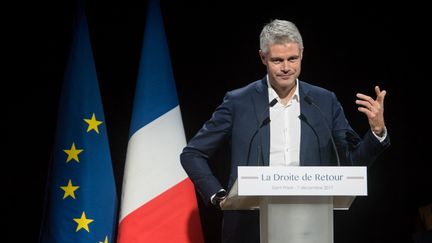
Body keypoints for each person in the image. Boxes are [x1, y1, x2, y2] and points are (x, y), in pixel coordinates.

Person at [180, 19, 390, 243]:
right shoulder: (238, 102)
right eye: (277, 60)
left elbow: (352, 161)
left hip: (309, 224)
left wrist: (377, 131)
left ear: (302, 53)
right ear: (263, 57)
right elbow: (192, 154)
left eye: (293, 58)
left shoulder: (323, 101)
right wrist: (218, 195)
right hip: (248, 226)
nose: (286, 67)